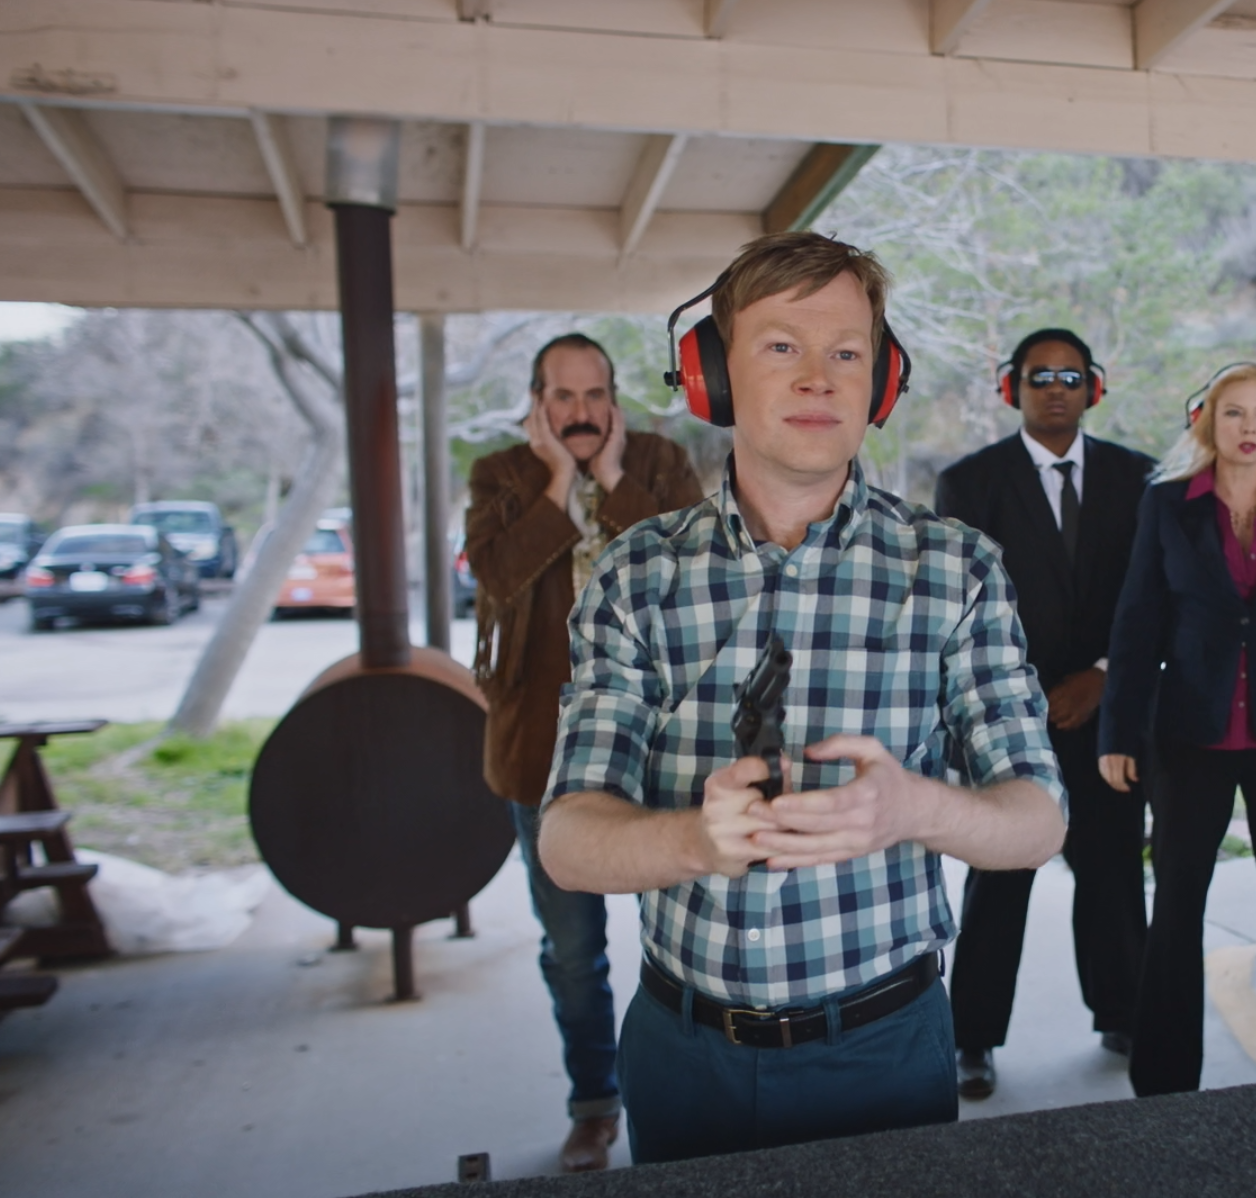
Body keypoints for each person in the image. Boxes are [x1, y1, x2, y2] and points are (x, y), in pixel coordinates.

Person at [537, 231, 1067, 1162]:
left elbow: (1039, 821)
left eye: (848, 352)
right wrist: (696, 842)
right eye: (783, 345)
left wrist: (913, 809)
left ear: (881, 383)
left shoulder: (958, 569)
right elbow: (567, 841)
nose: (819, 377)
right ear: (713, 375)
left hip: (887, 1049)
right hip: (682, 1052)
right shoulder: (632, 576)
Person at [464, 332, 703, 1172]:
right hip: (542, 750)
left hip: (665, 747)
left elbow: (695, 572)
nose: (580, 412)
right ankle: (595, 1105)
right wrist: (558, 485)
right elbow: (496, 577)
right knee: (573, 951)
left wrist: (612, 480)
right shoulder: (501, 476)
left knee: (683, 938)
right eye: (562, 397)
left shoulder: (661, 465)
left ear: (615, 399)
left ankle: (683, 1096)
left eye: (594, 394)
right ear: (537, 405)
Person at [1098, 362, 1256, 1097]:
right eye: (1233, 413)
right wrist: (1117, 731)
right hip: (1188, 737)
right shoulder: (1167, 505)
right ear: (1207, 423)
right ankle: (1164, 1086)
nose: (1249, 428)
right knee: (1177, 909)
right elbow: (1136, 622)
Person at [934, 329, 1156, 1099]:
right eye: (1039, 376)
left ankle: (1123, 1013)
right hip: (1008, 720)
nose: (1055, 389)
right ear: (1012, 388)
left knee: (1113, 873)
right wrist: (1028, 693)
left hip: (1108, 716)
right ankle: (972, 1037)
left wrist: (1101, 676)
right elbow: (962, 610)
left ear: (1094, 386)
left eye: (1070, 376)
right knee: (999, 880)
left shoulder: (1141, 479)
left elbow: (1152, 598)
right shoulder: (970, 483)